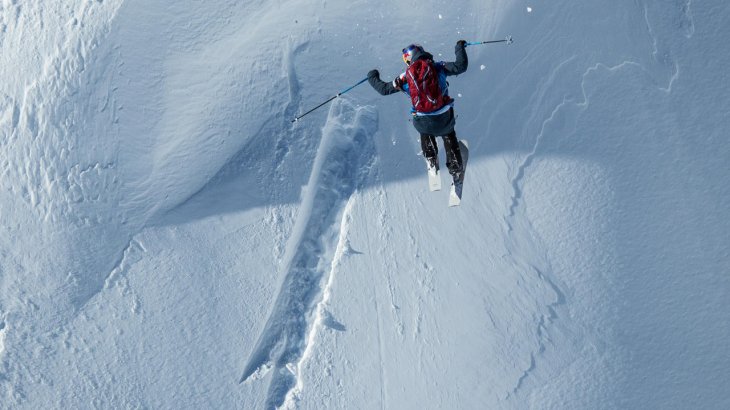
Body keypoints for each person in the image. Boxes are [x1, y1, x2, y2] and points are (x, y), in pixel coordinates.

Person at [367, 40, 468, 186]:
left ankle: (431, 160)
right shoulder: (438, 67)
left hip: (423, 122)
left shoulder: (405, 77)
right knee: (448, 133)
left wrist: (372, 76)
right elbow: (461, 66)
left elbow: (383, 90)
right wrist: (459, 47)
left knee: (424, 128)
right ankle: (456, 170)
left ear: (409, 58)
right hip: (444, 118)